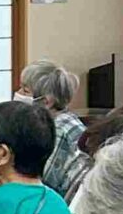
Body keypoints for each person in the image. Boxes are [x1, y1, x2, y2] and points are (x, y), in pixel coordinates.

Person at [18, 61, 88, 198]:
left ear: (46, 102)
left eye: (25, 91)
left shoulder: (57, 130)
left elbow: (41, 184)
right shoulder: (66, 120)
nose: (18, 94)